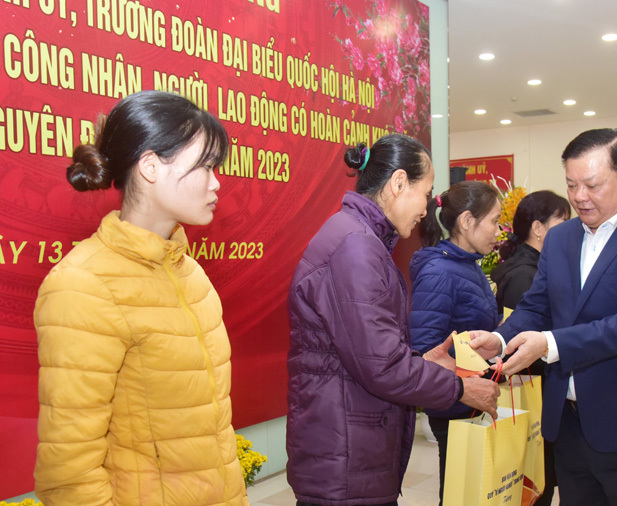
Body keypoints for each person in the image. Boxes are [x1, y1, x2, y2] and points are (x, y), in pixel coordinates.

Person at [34, 91, 249, 504]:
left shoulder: (192, 274)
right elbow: (69, 472)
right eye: (204, 166)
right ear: (151, 167)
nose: (216, 181)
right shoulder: (82, 286)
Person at [470, 128, 617, 505]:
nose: (579, 197)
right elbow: (538, 305)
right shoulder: (561, 238)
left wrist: (550, 343)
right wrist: (502, 339)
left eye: (591, 184)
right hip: (569, 425)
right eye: (571, 185)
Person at [286, 135, 500, 506]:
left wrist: (423, 363)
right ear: (399, 183)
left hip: (351, 443)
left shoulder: (360, 238)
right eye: (426, 192)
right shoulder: (356, 246)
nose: (427, 210)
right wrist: (462, 390)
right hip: (345, 456)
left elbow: (364, 353)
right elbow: (381, 367)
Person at [409, 181, 503, 505]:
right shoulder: (439, 271)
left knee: (472, 491)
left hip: (472, 397)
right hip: (455, 401)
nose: (498, 230)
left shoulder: (467, 264)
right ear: (466, 221)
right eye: (493, 220)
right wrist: (465, 386)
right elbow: (426, 346)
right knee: (458, 493)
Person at [490, 189, 570, 506]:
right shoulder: (527, 275)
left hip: (536, 388)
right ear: (539, 228)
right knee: (537, 484)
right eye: (562, 222)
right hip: (531, 391)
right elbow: (523, 342)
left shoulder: (533, 267)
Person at [492, 190, 571, 312]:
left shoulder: (540, 265)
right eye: (564, 223)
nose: (569, 230)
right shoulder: (522, 275)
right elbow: (515, 326)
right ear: (537, 228)